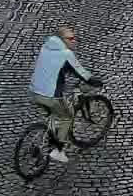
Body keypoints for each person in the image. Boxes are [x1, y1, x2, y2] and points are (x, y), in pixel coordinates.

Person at [30, 29, 97, 164]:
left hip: (34, 91)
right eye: (70, 39)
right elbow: (80, 72)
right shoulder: (66, 54)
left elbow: (55, 67)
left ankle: (47, 136)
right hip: (50, 95)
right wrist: (93, 81)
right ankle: (58, 150)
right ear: (61, 40)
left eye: (74, 38)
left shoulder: (46, 47)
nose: (73, 41)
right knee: (67, 116)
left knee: (53, 115)